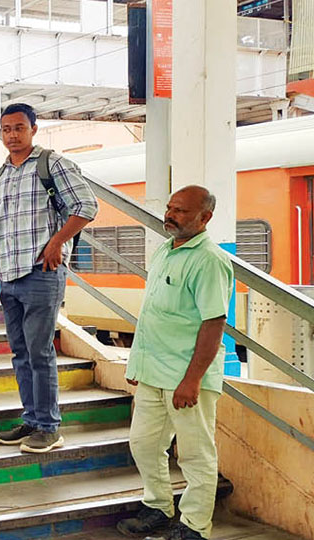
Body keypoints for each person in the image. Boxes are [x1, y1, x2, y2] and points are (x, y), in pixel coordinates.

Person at [116, 186, 233, 540]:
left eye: (180, 211)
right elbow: (155, 315)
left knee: (195, 455)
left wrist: (192, 380)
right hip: (153, 372)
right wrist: (138, 365)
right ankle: (158, 508)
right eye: (170, 208)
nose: (170, 215)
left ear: (204, 218)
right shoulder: (166, 251)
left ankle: (195, 527)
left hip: (186, 376)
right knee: (144, 444)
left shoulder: (209, 260)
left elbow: (214, 323)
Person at [0, 103, 98, 453]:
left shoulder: (53, 164)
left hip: (41, 272)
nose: (12, 135)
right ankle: (31, 420)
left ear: (34, 129)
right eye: (6, 129)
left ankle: (49, 427)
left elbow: (86, 206)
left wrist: (57, 243)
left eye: (19, 128)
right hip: (9, 276)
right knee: (20, 352)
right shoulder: (0, 176)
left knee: (39, 351)